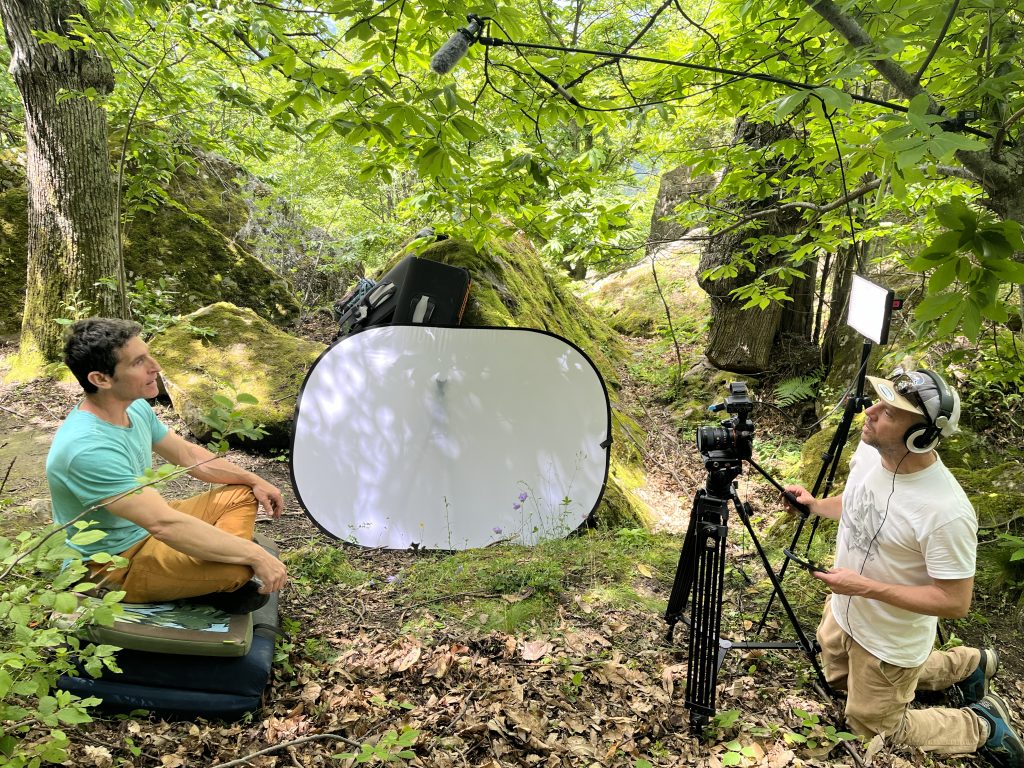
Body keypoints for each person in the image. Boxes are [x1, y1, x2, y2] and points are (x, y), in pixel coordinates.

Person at [784, 367, 1022, 768]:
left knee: (872, 729)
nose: (870, 413)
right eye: (878, 402)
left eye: (889, 412)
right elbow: (859, 499)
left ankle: (981, 724)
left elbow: (954, 602)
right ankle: (971, 663)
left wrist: (864, 587)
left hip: (889, 639)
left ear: (921, 435)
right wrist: (814, 506)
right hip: (843, 613)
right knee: (838, 681)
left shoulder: (945, 511)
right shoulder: (872, 450)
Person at [46, 317, 289, 614]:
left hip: (146, 526)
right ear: (101, 379)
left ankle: (205, 565)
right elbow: (163, 524)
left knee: (243, 492)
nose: (155, 366)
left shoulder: (132, 405)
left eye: (148, 354)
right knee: (237, 571)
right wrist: (253, 554)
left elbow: (188, 455)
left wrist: (253, 479)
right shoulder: (87, 449)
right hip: (113, 561)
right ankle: (208, 573)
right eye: (139, 362)